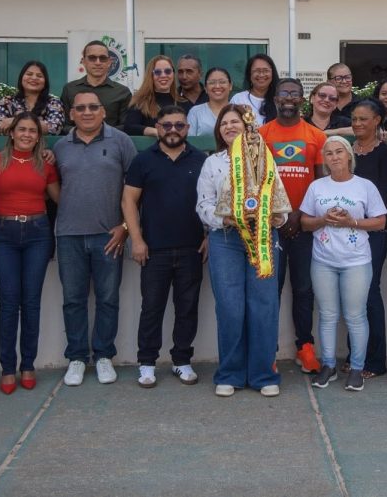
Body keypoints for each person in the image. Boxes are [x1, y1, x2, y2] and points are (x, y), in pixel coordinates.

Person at [196, 104, 291, 397]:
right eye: (223, 123)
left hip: (262, 237)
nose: (229, 127)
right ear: (219, 131)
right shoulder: (213, 163)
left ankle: (264, 375)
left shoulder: (265, 159)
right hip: (225, 240)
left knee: (264, 306)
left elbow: (280, 202)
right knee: (230, 307)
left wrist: (278, 218)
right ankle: (230, 373)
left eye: (234, 122)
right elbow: (203, 205)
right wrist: (226, 217)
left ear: (246, 127)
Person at [53, 91, 138, 386]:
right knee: (73, 300)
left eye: (93, 107)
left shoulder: (121, 141)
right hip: (69, 235)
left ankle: (103, 356)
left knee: (108, 298)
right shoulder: (60, 146)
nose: (87, 112)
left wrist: (125, 227)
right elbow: (52, 187)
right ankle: (76, 358)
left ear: (103, 111)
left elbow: (136, 190)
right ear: (71, 114)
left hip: (109, 235)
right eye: (80, 108)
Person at [123, 106, 208, 388]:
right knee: (152, 308)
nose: (173, 130)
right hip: (154, 249)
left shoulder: (201, 159)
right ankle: (146, 363)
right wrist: (136, 239)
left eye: (180, 126)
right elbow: (129, 202)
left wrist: (209, 236)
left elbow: (213, 200)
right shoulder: (143, 160)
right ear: (158, 127)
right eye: (167, 125)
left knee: (187, 308)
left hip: (192, 248)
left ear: (187, 129)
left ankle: (181, 361)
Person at [300, 137, 387, 392]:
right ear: (324, 159)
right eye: (329, 153)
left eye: (339, 152)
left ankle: (357, 368)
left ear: (349, 155)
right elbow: (305, 222)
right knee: (327, 315)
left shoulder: (365, 186)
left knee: (355, 316)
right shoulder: (317, 186)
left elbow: (381, 221)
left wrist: (352, 222)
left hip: (356, 261)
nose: (334, 157)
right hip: (323, 260)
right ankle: (328, 365)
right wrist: (323, 219)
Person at [0, 111, 60, 395]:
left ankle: (27, 364)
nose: (27, 134)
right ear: (12, 133)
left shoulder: (45, 164)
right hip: (4, 234)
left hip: (38, 233)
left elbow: (60, 199)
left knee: (31, 302)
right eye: (22, 130)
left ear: (38, 137)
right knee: (8, 302)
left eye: (33, 131)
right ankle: (7, 367)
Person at [259, 78, 327, 374]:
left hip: (304, 225)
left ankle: (305, 348)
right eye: (284, 93)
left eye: (295, 94)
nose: (289, 98)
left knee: (303, 289)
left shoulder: (315, 135)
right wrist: (279, 216)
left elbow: (322, 183)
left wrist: (300, 214)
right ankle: (268, 350)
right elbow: (256, 182)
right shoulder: (261, 135)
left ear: (303, 100)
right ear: (275, 98)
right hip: (271, 225)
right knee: (269, 290)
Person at [349, 98, 387, 378]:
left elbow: (384, 194)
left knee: (368, 292)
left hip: (373, 231)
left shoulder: (386, 154)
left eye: (363, 119)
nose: (357, 124)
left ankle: (375, 361)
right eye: (354, 119)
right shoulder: (348, 151)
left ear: (377, 120)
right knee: (350, 294)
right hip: (345, 232)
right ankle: (356, 355)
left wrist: (353, 213)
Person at [60, 40, 133, 128]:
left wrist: (100, 135)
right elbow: (65, 125)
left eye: (102, 58)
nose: (98, 62)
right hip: (77, 141)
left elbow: (125, 126)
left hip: (111, 141)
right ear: (83, 61)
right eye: (92, 58)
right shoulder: (69, 89)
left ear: (109, 62)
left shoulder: (122, 92)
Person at [0, 61, 66, 135]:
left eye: (39, 76)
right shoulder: (7, 101)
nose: (34, 78)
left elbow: (55, 128)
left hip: (44, 145)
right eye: (29, 74)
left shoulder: (54, 102)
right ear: (21, 77)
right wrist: (40, 125)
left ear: (45, 81)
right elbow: (1, 127)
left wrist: (15, 121)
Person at [124, 55, 182, 136]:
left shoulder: (182, 101)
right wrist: (155, 131)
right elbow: (129, 128)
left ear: (173, 74)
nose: (163, 75)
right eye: (158, 72)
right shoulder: (140, 102)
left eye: (168, 71)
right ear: (150, 76)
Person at [230, 53, 280, 126]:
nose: (261, 75)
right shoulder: (238, 99)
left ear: (272, 73)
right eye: (257, 71)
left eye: (266, 71)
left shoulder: (280, 99)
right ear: (249, 74)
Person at [187, 66, 233, 137]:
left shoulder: (238, 110)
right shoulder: (195, 112)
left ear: (230, 86)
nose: (217, 86)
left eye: (222, 82)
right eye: (212, 83)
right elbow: (189, 141)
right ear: (205, 88)